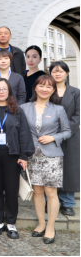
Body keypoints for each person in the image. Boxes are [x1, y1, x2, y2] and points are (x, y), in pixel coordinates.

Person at [22, 75, 71, 245]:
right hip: (31, 156)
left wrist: (53, 137)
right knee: (37, 191)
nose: (44, 89)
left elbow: (67, 131)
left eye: (49, 86)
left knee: (51, 193)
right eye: (41, 86)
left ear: (53, 90)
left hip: (52, 155)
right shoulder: (24, 108)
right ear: (35, 88)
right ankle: (41, 223)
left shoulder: (58, 109)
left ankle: (50, 227)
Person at [0, 78, 35, 239]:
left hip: (12, 155)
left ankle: (11, 223)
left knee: (12, 189)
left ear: (9, 92)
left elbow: (24, 134)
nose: (1, 91)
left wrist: (24, 155)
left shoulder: (17, 111)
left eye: (4, 89)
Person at [49, 62, 80, 217]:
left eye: (61, 71)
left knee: (69, 168)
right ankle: (50, 201)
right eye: (54, 71)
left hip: (70, 136)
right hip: (49, 135)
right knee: (50, 168)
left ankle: (67, 203)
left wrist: (65, 131)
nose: (57, 74)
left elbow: (78, 115)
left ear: (67, 73)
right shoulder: (46, 89)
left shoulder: (76, 92)